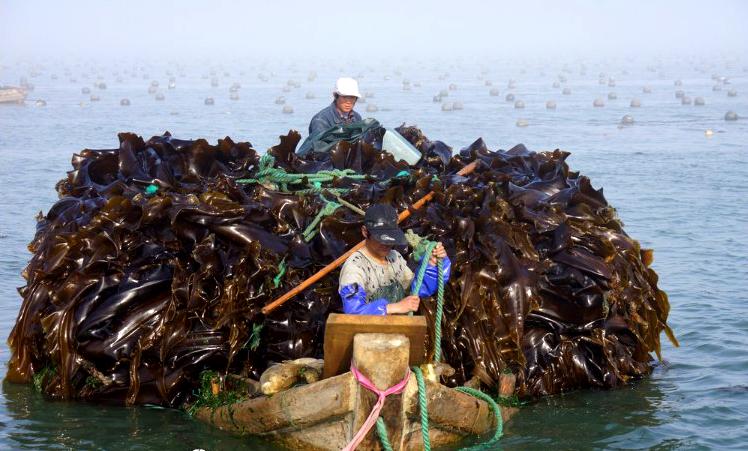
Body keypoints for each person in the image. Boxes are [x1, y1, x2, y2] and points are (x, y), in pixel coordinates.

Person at [338, 204, 451, 315]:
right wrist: (392, 308)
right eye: (381, 238)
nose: (387, 244)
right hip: (367, 331)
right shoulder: (354, 266)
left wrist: (432, 264)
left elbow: (417, 290)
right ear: (365, 232)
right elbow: (353, 311)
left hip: (398, 328)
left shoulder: (395, 257)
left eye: (391, 238)